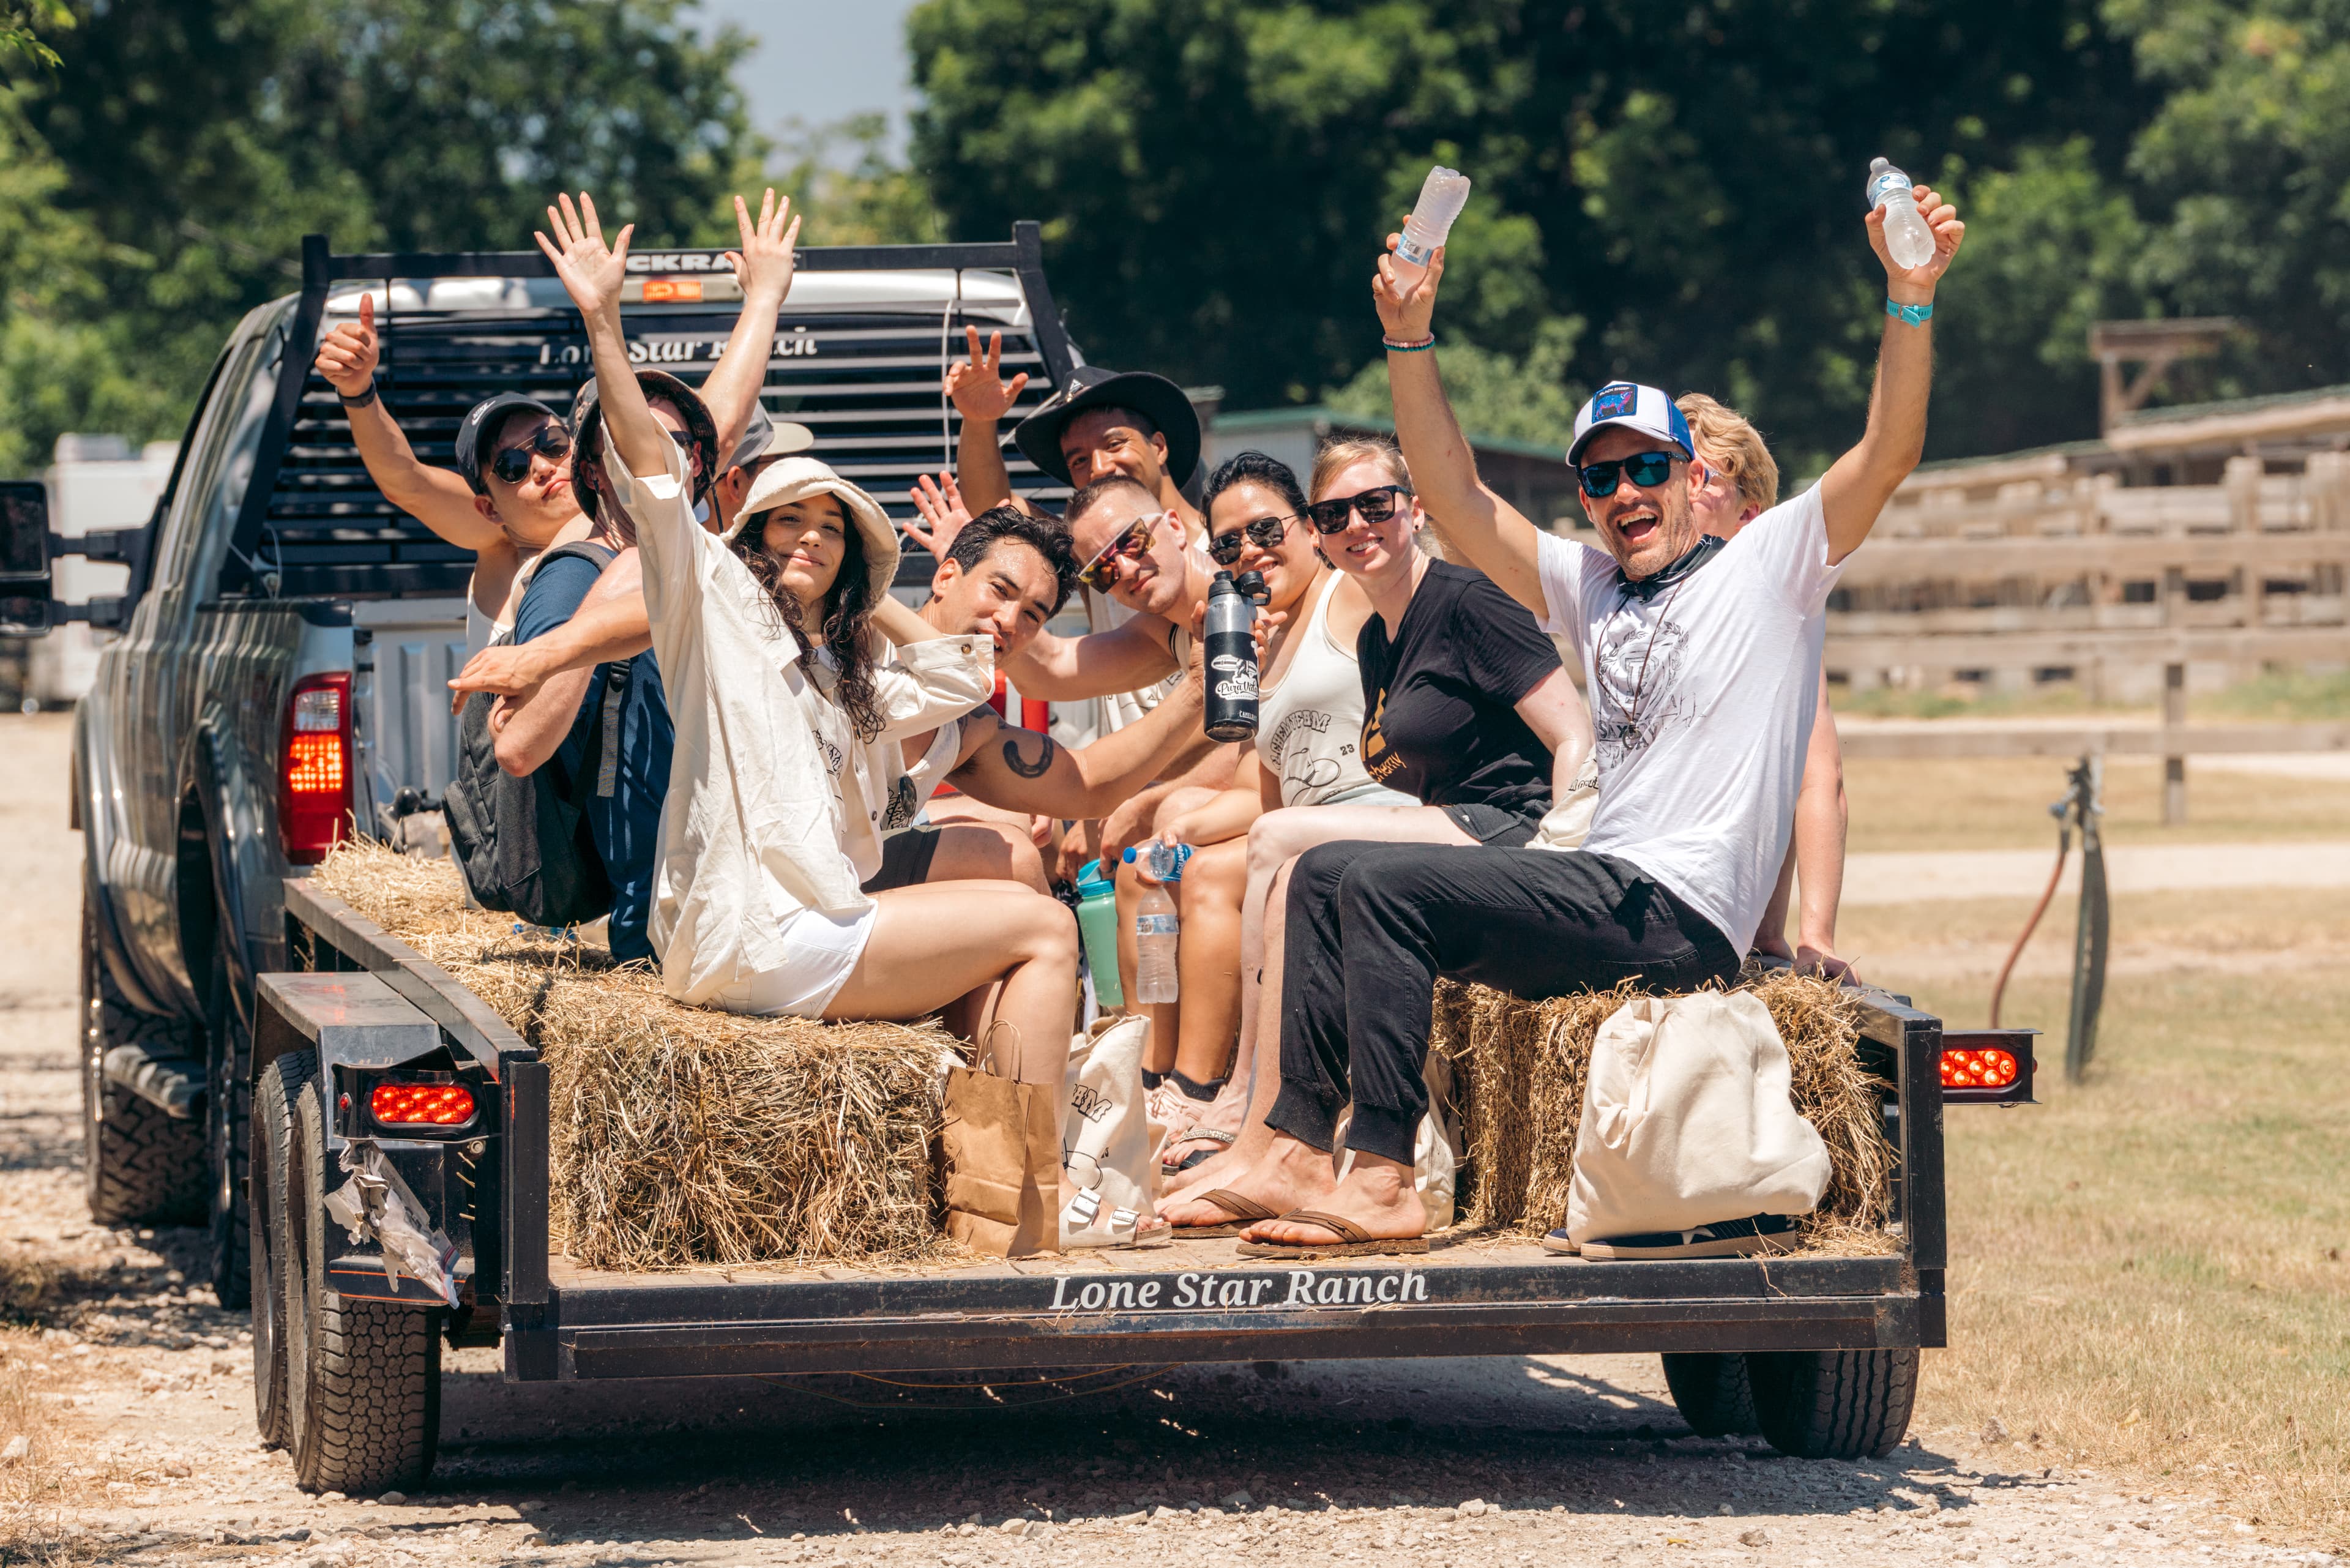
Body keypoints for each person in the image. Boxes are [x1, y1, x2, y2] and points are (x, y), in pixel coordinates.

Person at [1204, 174, 1963, 1261]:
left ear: (1693, 475)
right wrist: (1408, 339)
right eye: (1600, 479)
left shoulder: (1768, 569)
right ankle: (1289, 1142)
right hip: (1603, 889)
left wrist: (1911, 299)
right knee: (1326, 869)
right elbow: (1456, 496)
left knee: (1375, 874)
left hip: (1675, 908)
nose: (1624, 494)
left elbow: (1887, 451)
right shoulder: (1592, 587)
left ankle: (1381, 1171)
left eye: (1647, 468)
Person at [539, 190, 1080, 1092]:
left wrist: (881, 595)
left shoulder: (838, 672)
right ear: (750, 536)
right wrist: (603, 318)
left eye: (835, 529)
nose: (810, 537)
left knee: (1012, 919)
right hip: (755, 936)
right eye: (788, 519)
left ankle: (995, 1190)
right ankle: (1027, 1183)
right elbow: (657, 475)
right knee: (1046, 925)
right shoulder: (713, 607)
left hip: (796, 931)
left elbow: (959, 678)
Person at [1157, 435, 1597, 1228]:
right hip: (1453, 837)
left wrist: (1561, 869)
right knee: (1299, 869)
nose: (1358, 523)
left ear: (1413, 510)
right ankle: (1286, 1141)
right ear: (1320, 530)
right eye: (1336, 513)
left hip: (1513, 835)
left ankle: (1248, 1119)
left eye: (1376, 504)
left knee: (1278, 841)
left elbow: (1575, 736)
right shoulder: (1376, 639)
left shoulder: (1468, 602)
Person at [1678, 392, 1851, 977]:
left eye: (1701, 476)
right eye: (1673, 468)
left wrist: (1815, 936)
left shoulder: (1772, 613)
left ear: (1749, 516)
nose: (1679, 487)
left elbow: (1819, 775)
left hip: (1722, 916)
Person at [313, 294, 586, 654]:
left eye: (551, 442)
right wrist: (358, 391)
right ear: (490, 510)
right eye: (511, 467)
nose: (541, 466)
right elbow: (407, 482)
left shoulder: (630, 518)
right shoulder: (503, 552)